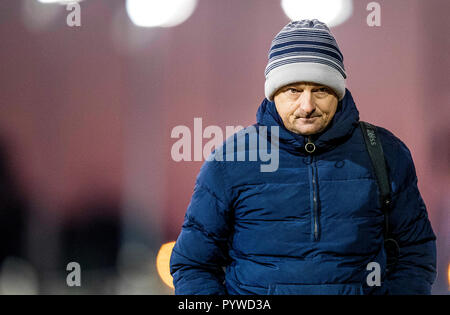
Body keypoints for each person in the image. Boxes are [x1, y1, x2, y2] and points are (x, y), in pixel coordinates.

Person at [170, 19, 436, 295]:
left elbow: (416, 254)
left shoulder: (385, 153)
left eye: (320, 89)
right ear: (274, 94)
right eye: (293, 90)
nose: (307, 106)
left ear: (338, 92)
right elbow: (193, 265)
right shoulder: (229, 161)